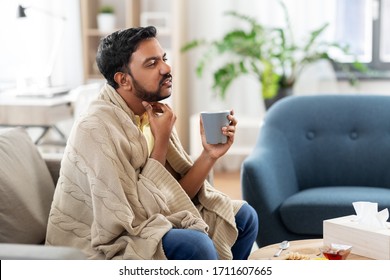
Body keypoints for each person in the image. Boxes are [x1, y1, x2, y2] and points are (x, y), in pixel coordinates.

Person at [45, 26, 258, 260]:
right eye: (152, 63)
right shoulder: (96, 129)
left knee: (244, 217)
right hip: (107, 239)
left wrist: (210, 154)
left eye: (164, 59)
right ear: (123, 80)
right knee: (195, 244)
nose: (166, 68)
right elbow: (136, 218)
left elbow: (173, 197)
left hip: (150, 218)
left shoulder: (149, 114)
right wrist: (161, 141)